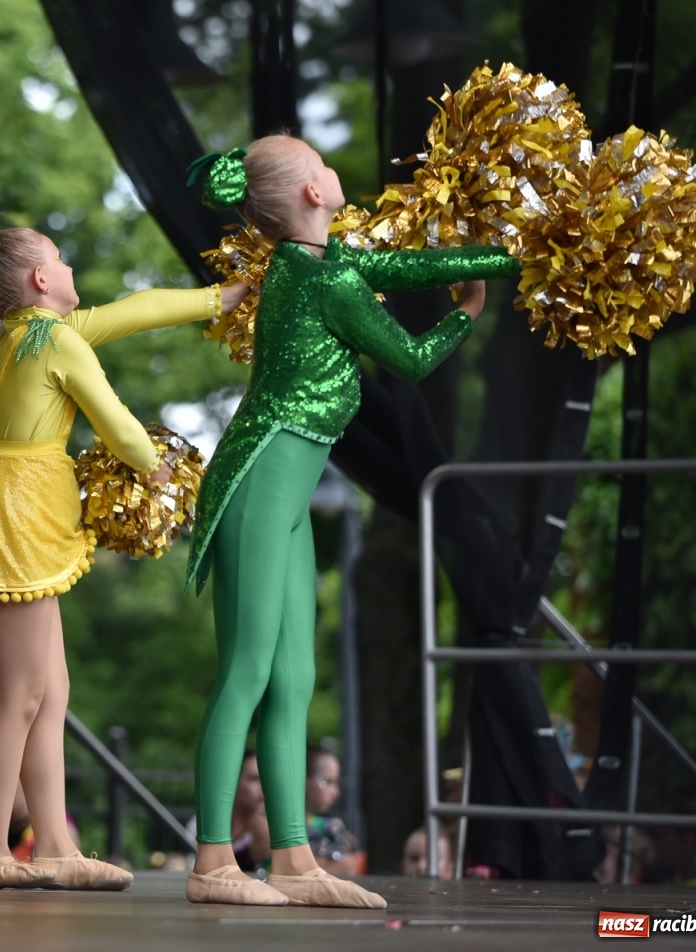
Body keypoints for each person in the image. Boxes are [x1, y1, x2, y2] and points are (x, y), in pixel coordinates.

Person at [184, 135, 519, 908]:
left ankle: (294, 858)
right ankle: (212, 862)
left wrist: (513, 254)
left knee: (295, 678)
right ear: (312, 192)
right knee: (248, 672)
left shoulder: (318, 263)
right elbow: (409, 358)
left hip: (287, 497)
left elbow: (405, 266)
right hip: (261, 480)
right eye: (321, 162)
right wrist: (466, 315)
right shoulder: (322, 277)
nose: (334, 171)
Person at [0, 220, 244, 891]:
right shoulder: (54, 339)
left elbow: (136, 311)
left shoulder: (31, 333)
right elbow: (113, 418)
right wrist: (151, 464)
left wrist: (216, 299)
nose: (70, 267)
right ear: (40, 279)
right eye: (60, 258)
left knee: (50, 691)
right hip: (15, 514)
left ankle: (52, 843)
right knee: (22, 695)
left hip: (15, 506)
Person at [305, 744, 362, 876]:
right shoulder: (269, 824)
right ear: (303, 780)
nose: (336, 793)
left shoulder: (329, 826)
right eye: (327, 782)